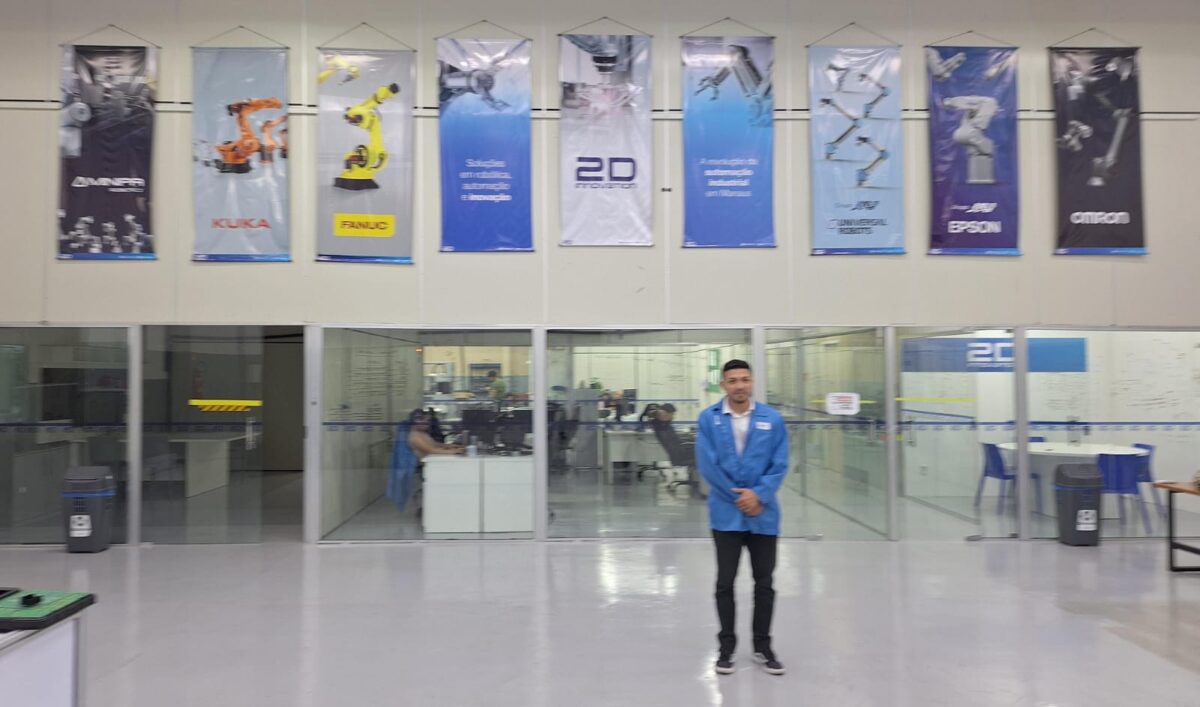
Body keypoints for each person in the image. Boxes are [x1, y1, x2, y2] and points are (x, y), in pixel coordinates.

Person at [696, 359, 789, 676]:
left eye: (745, 379)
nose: (739, 385)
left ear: (752, 383)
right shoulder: (709, 419)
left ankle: (763, 647)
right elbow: (708, 466)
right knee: (725, 583)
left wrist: (758, 496)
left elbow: (780, 463)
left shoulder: (771, 419)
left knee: (765, 583)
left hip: (763, 515)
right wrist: (741, 498)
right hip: (726, 515)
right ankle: (726, 648)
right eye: (733, 380)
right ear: (723, 384)